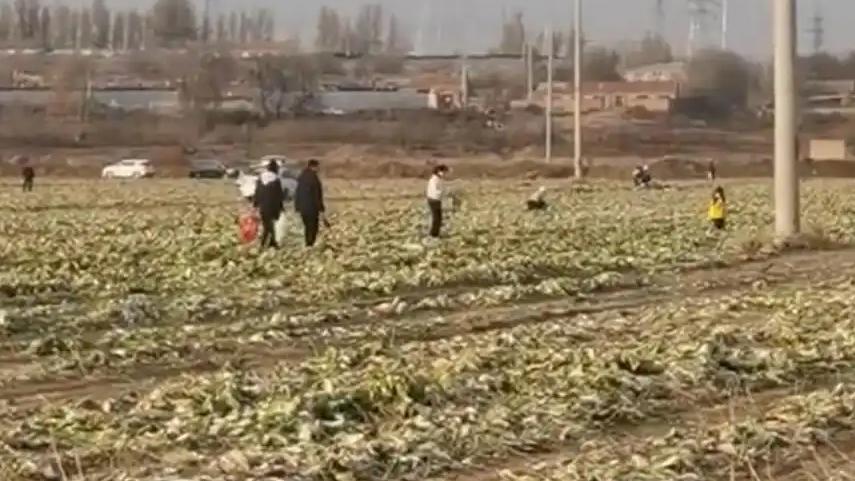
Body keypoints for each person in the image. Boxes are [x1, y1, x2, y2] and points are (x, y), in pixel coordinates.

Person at [253, 160, 285, 249]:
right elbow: (279, 195)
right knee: (269, 226)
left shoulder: (261, 178)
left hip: (263, 206)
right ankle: (265, 244)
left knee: (267, 225)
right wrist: (281, 207)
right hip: (273, 207)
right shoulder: (276, 180)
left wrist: (255, 205)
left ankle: (271, 243)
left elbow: (257, 193)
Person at [295, 159, 325, 247]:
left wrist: (297, 206)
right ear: (314, 167)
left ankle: (308, 243)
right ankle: (310, 244)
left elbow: (298, 192)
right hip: (311, 207)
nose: (319, 169)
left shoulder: (302, 176)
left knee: (307, 226)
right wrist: (321, 209)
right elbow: (317, 195)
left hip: (302, 207)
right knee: (313, 226)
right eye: (317, 167)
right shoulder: (314, 178)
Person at [426, 165, 449, 239]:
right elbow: (435, 191)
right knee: (436, 217)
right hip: (433, 200)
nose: (445, 173)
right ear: (439, 171)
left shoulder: (439, 179)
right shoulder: (434, 180)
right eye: (444, 172)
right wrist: (443, 192)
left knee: (438, 217)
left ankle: (435, 233)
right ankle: (433, 234)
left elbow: (441, 189)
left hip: (437, 199)